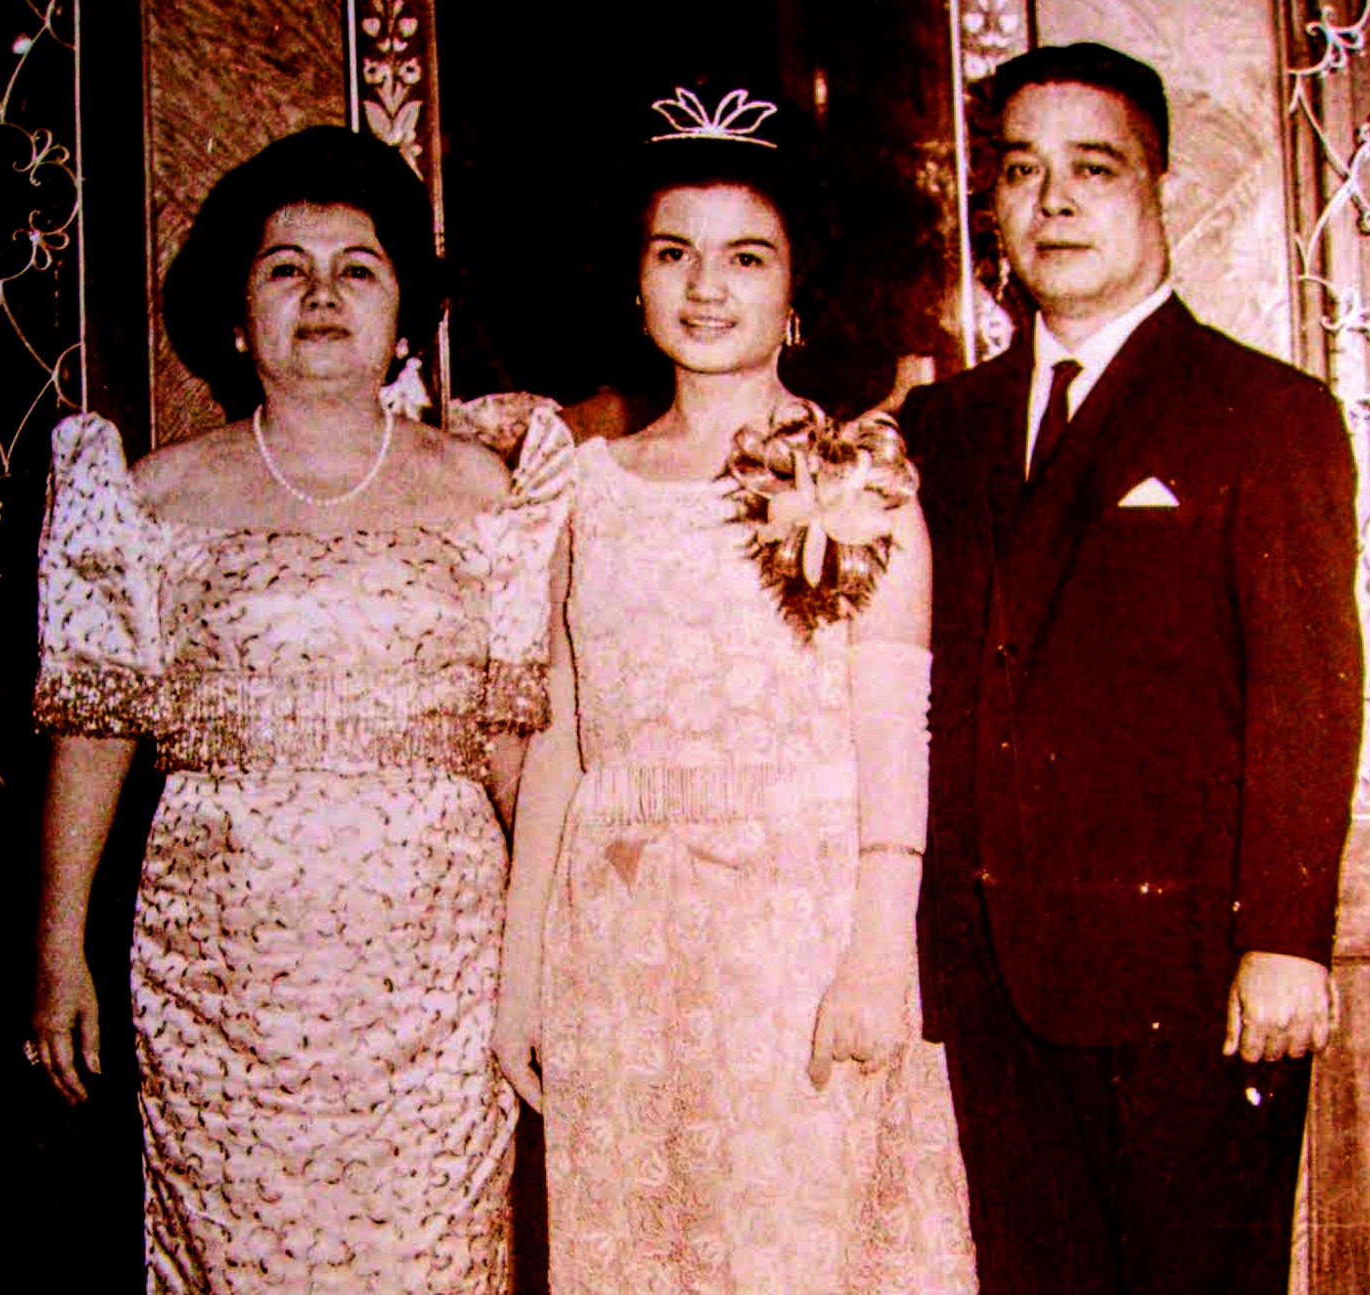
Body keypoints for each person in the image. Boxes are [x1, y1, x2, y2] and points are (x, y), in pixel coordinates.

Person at [26, 126, 574, 1294]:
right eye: (285, 268)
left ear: (402, 316)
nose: (322, 296)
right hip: (221, 974)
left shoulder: (488, 493)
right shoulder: (149, 496)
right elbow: (93, 729)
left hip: (437, 972)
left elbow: (516, 749)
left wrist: (557, 950)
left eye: (357, 269)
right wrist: (58, 944)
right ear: (237, 316)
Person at [494, 87, 977, 1295]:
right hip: (617, 945)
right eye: (674, 253)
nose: (705, 287)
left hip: (798, 944)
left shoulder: (859, 477)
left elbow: (894, 733)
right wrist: (521, 974)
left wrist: (877, 954)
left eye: (745, 256)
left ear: (797, 284)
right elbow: (561, 741)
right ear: (635, 278)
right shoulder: (583, 486)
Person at [899, 43, 1362, 1295]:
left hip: (1194, 981)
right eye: (1020, 171)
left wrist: (1285, 937)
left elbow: (1308, 689)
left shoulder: (1263, 412)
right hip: (992, 977)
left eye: (1091, 169)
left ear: (1160, 185)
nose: (1051, 202)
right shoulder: (939, 427)